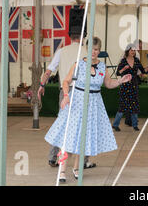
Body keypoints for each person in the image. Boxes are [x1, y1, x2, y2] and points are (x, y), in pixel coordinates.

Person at [45, 37, 131, 183]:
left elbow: (108, 83)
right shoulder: (78, 64)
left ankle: (77, 168)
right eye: (91, 49)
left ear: (99, 50)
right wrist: (66, 96)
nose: (94, 52)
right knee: (69, 138)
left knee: (83, 138)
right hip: (77, 102)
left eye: (97, 49)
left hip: (94, 104)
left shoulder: (103, 67)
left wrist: (120, 81)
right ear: (86, 49)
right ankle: (62, 170)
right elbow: (66, 81)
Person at [38, 32, 93, 168]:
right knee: (83, 126)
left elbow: (49, 71)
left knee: (63, 124)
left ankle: (52, 157)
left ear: (70, 37)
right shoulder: (87, 51)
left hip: (66, 91)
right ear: (83, 38)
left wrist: (42, 85)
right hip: (83, 92)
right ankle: (83, 161)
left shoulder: (62, 51)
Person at [113, 43, 148, 132]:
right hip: (125, 85)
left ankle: (135, 125)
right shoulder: (123, 61)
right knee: (122, 106)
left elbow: (142, 71)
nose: (133, 52)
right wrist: (124, 69)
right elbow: (118, 73)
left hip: (134, 85)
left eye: (134, 50)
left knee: (134, 105)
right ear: (127, 51)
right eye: (131, 50)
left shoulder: (137, 60)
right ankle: (115, 124)